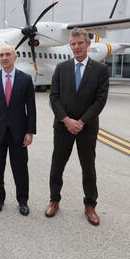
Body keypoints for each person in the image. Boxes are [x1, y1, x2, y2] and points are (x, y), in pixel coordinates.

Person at [46, 28, 109, 226]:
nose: (76, 47)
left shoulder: (100, 70)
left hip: (87, 128)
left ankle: (90, 205)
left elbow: (100, 101)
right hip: (63, 126)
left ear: (88, 44)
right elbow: (53, 97)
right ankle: (54, 200)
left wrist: (81, 122)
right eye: (73, 44)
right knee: (57, 165)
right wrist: (67, 120)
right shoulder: (61, 68)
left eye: (80, 43)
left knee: (88, 167)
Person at [0, 45, 36, 216]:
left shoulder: (25, 79)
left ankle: (23, 201)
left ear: (15, 57)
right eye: (2, 55)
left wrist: (30, 131)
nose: (4, 57)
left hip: (19, 134)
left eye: (8, 54)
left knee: (20, 169)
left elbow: (31, 109)